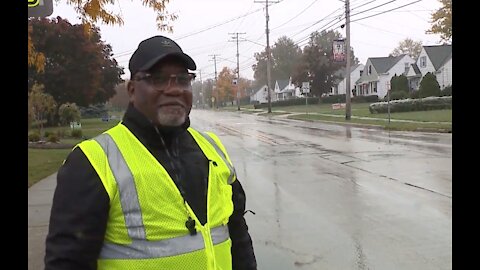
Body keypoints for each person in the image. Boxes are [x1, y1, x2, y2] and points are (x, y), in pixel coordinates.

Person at [44, 35, 257, 270]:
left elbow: (238, 234)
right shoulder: (93, 162)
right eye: (158, 79)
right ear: (132, 90)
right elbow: (67, 262)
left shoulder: (212, 148)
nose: (174, 89)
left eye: (183, 79)